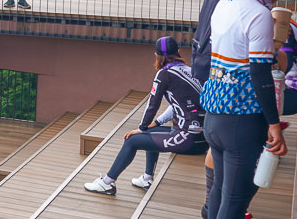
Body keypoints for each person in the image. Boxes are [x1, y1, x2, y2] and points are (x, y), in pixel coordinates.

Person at [201, 0, 289, 219]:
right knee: (236, 201)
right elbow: (260, 75)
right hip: (242, 119)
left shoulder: (225, 2)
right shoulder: (257, 13)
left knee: (223, 192)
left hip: (216, 115)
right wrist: (273, 124)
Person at [83, 36, 207, 196]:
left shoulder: (164, 74)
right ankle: (147, 178)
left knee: (132, 140)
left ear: (157, 56)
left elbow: (152, 105)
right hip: (201, 139)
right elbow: (177, 106)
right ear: (178, 52)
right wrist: (153, 124)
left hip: (188, 139)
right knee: (150, 133)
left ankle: (107, 183)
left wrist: (141, 128)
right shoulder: (190, 71)